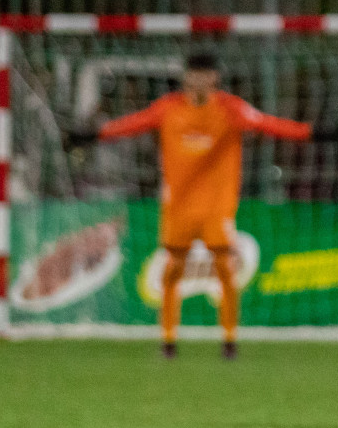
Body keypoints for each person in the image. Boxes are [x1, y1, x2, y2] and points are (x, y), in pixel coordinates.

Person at [73, 54, 319, 358]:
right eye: (194, 74)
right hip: (178, 206)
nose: (200, 81)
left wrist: (309, 132)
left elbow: (268, 124)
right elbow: (132, 124)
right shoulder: (169, 108)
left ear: (215, 79)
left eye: (206, 75)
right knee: (172, 270)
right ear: (186, 78)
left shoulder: (230, 109)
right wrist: (95, 134)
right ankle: (168, 340)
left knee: (225, 270)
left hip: (217, 207)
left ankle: (229, 340)